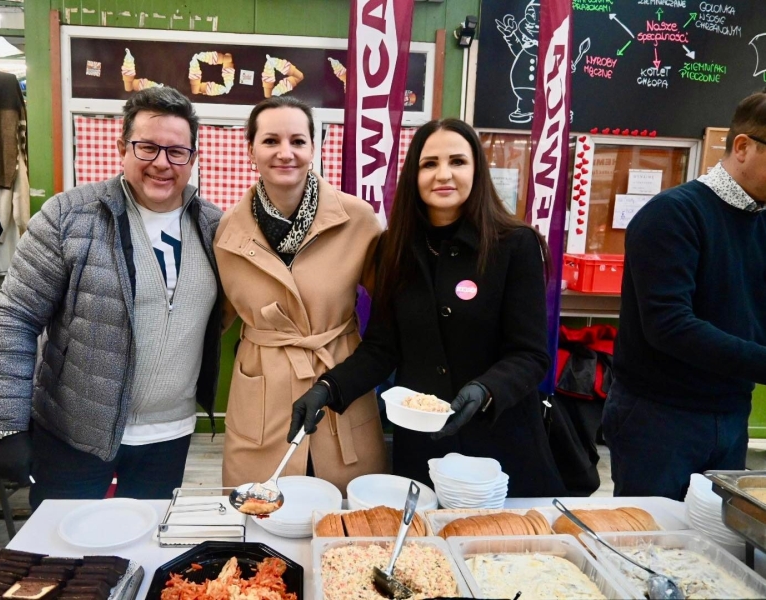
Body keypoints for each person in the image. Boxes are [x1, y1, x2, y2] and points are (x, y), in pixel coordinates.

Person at [287, 118, 566, 497]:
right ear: (413, 176)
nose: (443, 174)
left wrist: (485, 389)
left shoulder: (515, 245)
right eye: (429, 163)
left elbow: (530, 355)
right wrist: (328, 388)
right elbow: (382, 349)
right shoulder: (393, 249)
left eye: (458, 162)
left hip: (500, 445)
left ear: (477, 171)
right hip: (422, 447)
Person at [0, 87, 223, 509]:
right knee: (60, 546)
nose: (162, 163)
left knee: (144, 545)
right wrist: (5, 426)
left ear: (193, 158)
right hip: (74, 431)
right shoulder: (68, 216)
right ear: (122, 148)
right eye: (147, 147)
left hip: (168, 437)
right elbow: (15, 317)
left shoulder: (215, 228)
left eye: (176, 152)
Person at [215, 96, 387, 493]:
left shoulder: (357, 219)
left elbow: (393, 307)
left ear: (314, 148)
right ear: (250, 150)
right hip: (263, 388)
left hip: (338, 375)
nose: (285, 153)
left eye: (297, 141)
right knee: (261, 509)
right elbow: (214, 317)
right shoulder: (228, 230)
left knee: (348, 515)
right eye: (270, 141)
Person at [604, 91, 766, 501]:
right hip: (659, 415)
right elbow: (670, 326)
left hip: (732, 410)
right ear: (743, 147)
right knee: (651, 532)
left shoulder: (760, 221)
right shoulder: (672, 214)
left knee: (719, 531)